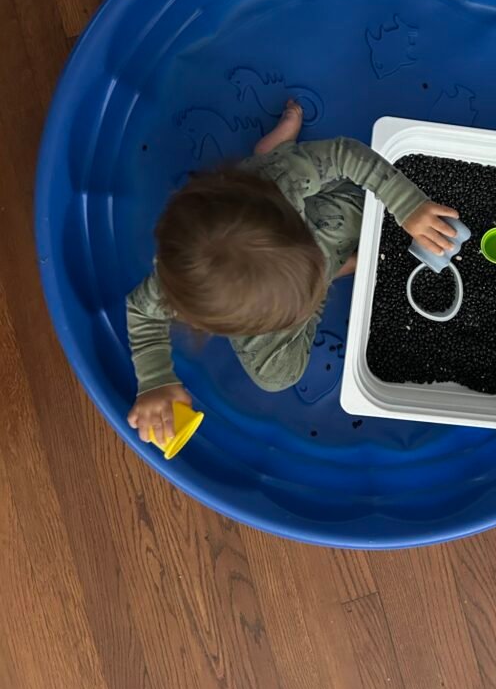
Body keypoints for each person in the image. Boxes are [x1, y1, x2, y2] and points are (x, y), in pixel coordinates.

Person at [126, 100, 458, 443]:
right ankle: (329, 269)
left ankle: (274, 155)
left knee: (362, 212)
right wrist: (156, 380)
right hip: (289, 248)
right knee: (275, 377)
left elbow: (346, 154)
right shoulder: (174, 288)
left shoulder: (282, 180)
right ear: (198, 322)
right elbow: (141, 312)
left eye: (310, 284)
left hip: (302, 205)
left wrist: (406, 204)